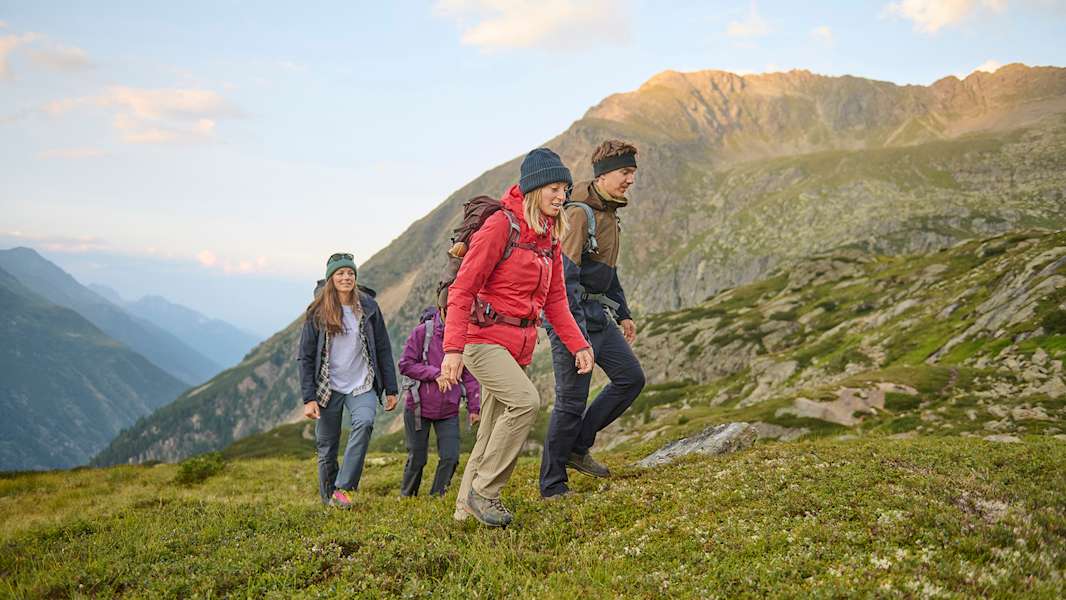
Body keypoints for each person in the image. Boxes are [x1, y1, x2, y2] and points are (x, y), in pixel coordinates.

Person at [441, 148, 594, 527]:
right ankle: (485, 493)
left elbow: (556, 301)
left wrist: (579, 344)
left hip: (517, 346)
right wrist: (452, 350)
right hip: (482, 340)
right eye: (553, 189)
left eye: (564, 189)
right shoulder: (501, 226)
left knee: (491, 431)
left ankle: (463, 513)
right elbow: (462, 289)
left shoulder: (550, 237)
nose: (561, 196)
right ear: (534, 189)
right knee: (526, 402)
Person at [539, 140, 646, 499]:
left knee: (630, 379)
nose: (631, 179)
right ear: (604, 175)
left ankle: (577, 447)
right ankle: (552, 485)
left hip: (598, 316)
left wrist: (623, 312)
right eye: (625, 172)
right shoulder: (578, 214)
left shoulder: (610, 213)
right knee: (571, 401)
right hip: (571, 319)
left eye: (633, 172)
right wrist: (577, 337)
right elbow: (563, 280)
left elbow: (606, 272)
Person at [297, 253, 399, 509]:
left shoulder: (368, 307)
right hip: (328, 387)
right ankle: (329, 501)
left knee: (364, 422)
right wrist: (309, 398)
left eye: (350, 273)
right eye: (340, 273)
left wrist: (391, 388)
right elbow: (305, 357)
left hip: (361, 383)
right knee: (327, 447)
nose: (346, 277)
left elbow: (383, 348)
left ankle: (343, 488)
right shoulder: (317, 312)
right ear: (331, 278)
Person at [398, 306, 482, 497]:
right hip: (418, 407)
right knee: (417, 458)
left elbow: (469, 376)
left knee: (451, 458)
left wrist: (474, 408)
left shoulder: (464, 336)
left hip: (448, 409)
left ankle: (436, 497)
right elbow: (405, 365)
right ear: (443, 308)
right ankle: (407, 498)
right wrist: (435, 374)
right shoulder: (422, 332)